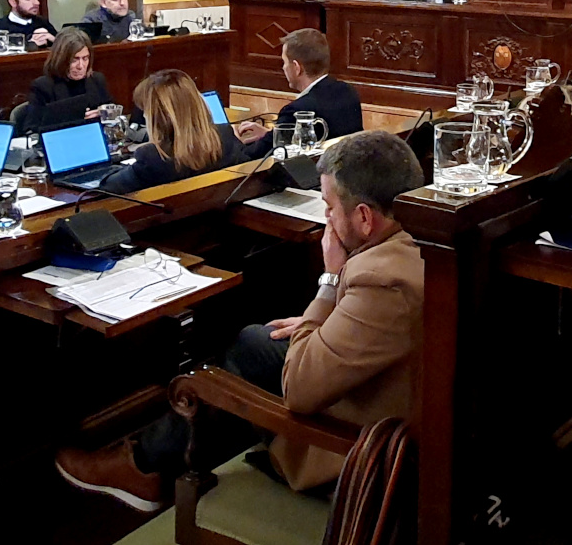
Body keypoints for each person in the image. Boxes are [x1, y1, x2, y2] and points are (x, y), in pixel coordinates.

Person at [54, 128, 426, 507]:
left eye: (329, 207)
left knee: (231, 367)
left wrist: (329, 280)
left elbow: (299, 390)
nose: (326, 218)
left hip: (371, 447)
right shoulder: (416, 241)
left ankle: (146, 465)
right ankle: (155, 464)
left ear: (364, 217)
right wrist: (326, 321)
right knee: (257, 340)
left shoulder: (382, 280)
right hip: (393, 393)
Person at [100, 69, 246, 195]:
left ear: (159, 117)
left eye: (146, 111)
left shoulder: (153, 157)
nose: (144, 116)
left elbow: (106, 187)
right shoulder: (224, 136)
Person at [237, 28, 363, 153]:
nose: (283, 68)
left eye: (284, 62)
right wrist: (272, 135)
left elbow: (254, 156)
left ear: (297, 68)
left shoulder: (297, 110)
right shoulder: (348, 92)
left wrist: (233, 142)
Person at [24, 27, 111, 128]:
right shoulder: (43, 87)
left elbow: (112, 111)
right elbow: (31, 129)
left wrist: (103, 114)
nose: (81, 66)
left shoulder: (96, 80)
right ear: (61, 58)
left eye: (85, 58)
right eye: (74, 60)